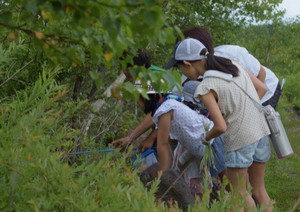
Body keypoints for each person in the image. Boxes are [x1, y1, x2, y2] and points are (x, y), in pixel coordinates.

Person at [165, 38, 272, 211]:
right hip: (261, 130)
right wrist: (244, 112)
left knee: (239, 195)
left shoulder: (205, 86)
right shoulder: (232, 64)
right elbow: (262, 89)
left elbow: (220, 127)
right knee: (259, 190)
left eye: (180, 68)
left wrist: (204, 138)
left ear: (187, 64)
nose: (183, 73)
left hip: (240, 139)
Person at [173, 26, 281, 109]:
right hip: (244, 99)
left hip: (268, 90)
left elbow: (261, 74)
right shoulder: (192, 69)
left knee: (258, 126)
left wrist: (250, 108)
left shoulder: (231, 54)